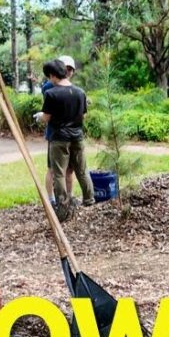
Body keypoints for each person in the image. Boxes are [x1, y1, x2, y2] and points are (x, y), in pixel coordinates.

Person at [40, 58, 95, 218]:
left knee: (59, 172)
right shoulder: (80, 92)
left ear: (52, 75)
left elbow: (47, 117)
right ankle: (89, 199)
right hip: (77, 136)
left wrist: (39, 117)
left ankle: (62, 207)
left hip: (59, 138)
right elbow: (83, 115)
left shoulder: (51, 93)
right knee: (82, 169)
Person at [36, 56, 79, 203]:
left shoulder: (70, 86)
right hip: (55, 134)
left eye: (70, 69)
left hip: (71, 135)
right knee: (53, 169)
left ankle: (69, 196)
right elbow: (51, 110)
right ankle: (52, 199)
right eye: (65, 69)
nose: (67, 72)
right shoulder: (50, 86)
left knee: (69, 170)